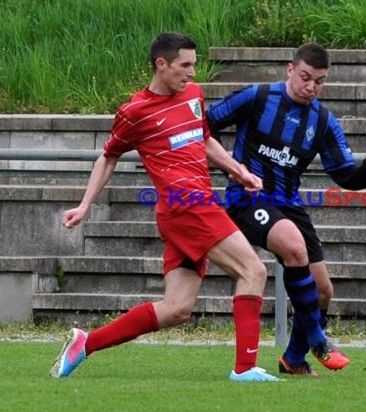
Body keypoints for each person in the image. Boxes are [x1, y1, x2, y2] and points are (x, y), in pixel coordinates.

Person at [50, 32, 281, 382]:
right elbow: (108, 156)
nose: (191, 73)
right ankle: (245, 368)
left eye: (194, 65)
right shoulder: (135, 111)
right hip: (186, 206)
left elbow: (202, 140)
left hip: (191, 206)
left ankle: (86, 343)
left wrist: (239, 171)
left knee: (176, 309)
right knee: (254, 271)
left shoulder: (193, 95)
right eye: (185, 65)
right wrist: (85, 206)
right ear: (162, 64)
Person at [207, 43, 366, 376]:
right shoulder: (257, 97)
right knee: (294, 248)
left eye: (319, 81)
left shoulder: (322, 120)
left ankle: (293, 358)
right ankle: (318, 339)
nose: (311, 87)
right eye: (305, 77)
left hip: (288, 204)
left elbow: (344, 174)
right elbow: (206, 124)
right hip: (247, 197)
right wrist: (231, 167)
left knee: (323, 290)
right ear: (290, 69)